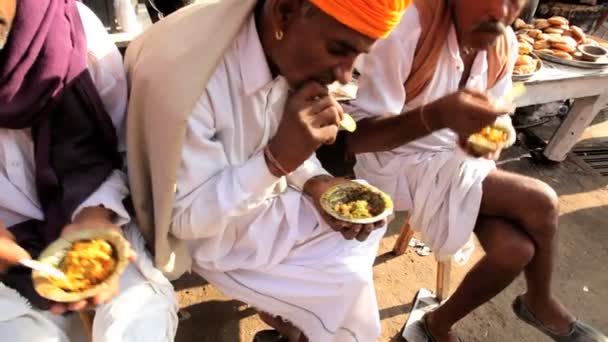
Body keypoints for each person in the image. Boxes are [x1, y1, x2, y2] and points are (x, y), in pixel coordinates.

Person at [124, 0, 410, 341]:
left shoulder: (279, 43)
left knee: (363, 229)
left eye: (357, 58)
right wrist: (276, 162)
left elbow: (274, 137)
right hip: (213, 237)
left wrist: (315, 182)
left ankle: (298, 324)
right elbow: (183, 220)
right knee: (346, 281)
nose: (344, 76)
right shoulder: (188, 79)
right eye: (339, 49)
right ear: (285, 12)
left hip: (262, 196)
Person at [346, 0, 607, 341]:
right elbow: (358, 139)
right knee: (542, 201)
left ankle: (437, 325)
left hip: (460, 165)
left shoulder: (502, 43)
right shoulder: (408, 29)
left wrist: (489, 139)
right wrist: (436, 117)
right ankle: (539, 301)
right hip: (397, 165)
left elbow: (496, 118)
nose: (501, 10)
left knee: (515, 252)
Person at [0, 1, 178, 341]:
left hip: (94, 217)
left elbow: (120, 145)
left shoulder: (75, 31)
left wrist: (95, 216)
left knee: (142, 319)